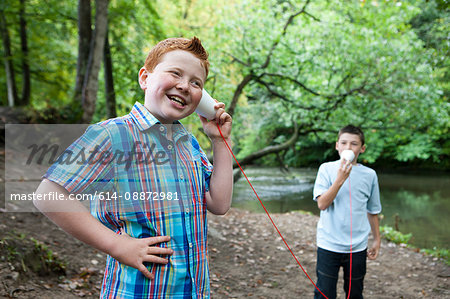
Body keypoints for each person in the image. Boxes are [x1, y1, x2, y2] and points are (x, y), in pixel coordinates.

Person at [34, 37, 233, 298]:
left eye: (197, 83)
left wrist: (220, 142)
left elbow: (219, 203)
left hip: (193, 291)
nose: (185, 86)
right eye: (175, 73)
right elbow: (47, 195)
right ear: (145, 78)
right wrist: (117, 245)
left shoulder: (189, 143)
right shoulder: (113, 135)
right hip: (137, 291)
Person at [312, 125, 381, 299]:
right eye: (344, 143)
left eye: (354, 144)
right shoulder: (326, 169)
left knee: (354, 293)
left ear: (362, 148)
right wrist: (340, 180)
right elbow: (322, 204)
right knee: (324, 293)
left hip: (357, 247)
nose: (348, 148)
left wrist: (377, 240)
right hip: (328, 244)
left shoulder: (370, 175)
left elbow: (372, 210)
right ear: (337, 146)